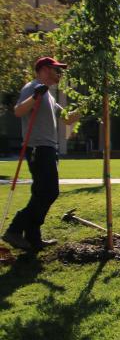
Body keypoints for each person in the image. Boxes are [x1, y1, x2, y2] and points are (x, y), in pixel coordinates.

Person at [3, 57, 79, 252]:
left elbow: (68, 119)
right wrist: (35, 96)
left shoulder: (50, 96)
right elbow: (19, 111)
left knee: (41, 193)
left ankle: (33, 238)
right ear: (44, 69)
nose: (60, 74)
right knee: (49, 192)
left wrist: (90, 106)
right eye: (57, 70)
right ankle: (14, 229)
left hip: (49, 149)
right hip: (38, 148)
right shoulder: (33, 87)